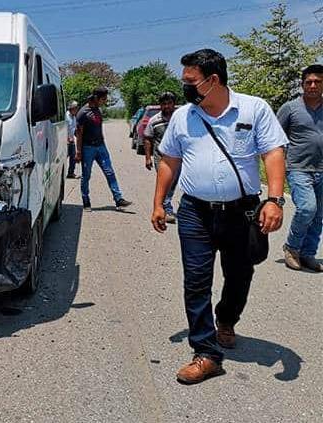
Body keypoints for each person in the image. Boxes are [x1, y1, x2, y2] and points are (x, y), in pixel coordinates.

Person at [151, 49, 287, 385]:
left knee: (239, 274)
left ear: (213, 80)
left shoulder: (254, 109)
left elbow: (273, 152)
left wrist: (275, 199)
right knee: (196, 281)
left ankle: (226, 319)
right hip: (194, 211)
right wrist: (159, 202)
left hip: (241, 211)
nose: (185, 88)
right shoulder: (184, 116)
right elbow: (169, 160)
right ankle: (206, 353)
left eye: (191, 82)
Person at [277, 64, 323, 272]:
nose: (313, 85)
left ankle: (308, 254)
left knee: (318, 214)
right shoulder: (290, 108)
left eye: (317, 82)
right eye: (309, 82)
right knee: (307, 208)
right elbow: (274, 138)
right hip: (298, 168)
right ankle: (292, 248)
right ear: (302, 84)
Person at [75, 87, 132, 210]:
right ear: (96, 98)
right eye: (103, 99)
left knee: (110, 172)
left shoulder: (97, 110)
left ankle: (118, 199)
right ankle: (86, 202)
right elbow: (79, 133)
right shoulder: (83, 113)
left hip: (101, 147)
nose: (105, 101)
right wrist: (78, 151)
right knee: (86, 175)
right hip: (87, 148)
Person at [144, 91, 178, 223]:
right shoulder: (154, 121)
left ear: (173, 104)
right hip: (161, 158)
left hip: (179, 158)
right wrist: (147, 158)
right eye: (164, 104)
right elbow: (147, 138)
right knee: (166, 182)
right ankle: (166, 209)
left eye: (169, 103)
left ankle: (165, 205)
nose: (167, 106)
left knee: (174, 182)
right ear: (160, 105)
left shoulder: (179, 119)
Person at [66, 101, 79, 178]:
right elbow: (64, 128)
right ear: (72, 108)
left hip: (71, 140)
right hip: (65, 141)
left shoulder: (74, 117)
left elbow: (74, 129)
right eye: (76, 108)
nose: (77, 110)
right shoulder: (66, 116)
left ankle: (71, 173)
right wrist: (67, 138)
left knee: (73, 156)